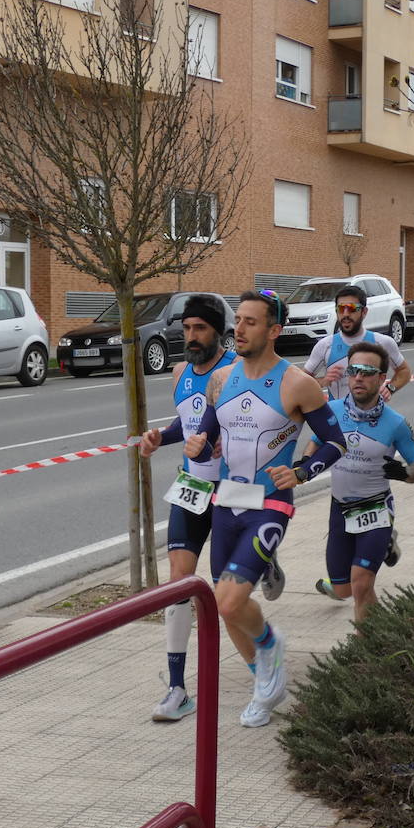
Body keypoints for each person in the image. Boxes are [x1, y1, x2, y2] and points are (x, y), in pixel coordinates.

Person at [184, 290, 347, 727]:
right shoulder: (222, 379)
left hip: (269, 504)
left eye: (250, 322)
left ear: (273, 330)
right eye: (238, 320)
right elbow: (205, 443)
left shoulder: (297, 383)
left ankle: (270, 644)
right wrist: (197, 447)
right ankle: (264, 677)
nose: (238, 329)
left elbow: (335, 442)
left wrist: (302, 471)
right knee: (223, 605)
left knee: (234, 601)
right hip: (226, 503)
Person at [139, 295, 238, 723]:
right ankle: (178, 688)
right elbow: (189, 420)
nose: (191, 337)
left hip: (235, 486)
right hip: (192, 485)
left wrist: (227, 438)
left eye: (200, 329)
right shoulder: (180, 372)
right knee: (179, 581)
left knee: (226, 585)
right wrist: (162, 435)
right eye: (187, 329)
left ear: (218, 331)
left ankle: (264, 561)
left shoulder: (235, 370)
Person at [309, 342, 414, 621]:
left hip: (376, 509)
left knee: (362, 584)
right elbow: (314, 444)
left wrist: (406, 474)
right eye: (353, 371)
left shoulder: (396, 423)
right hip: (340, 509)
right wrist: (304, 468)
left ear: (381, 378)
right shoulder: (332, 411)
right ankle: (387, 547)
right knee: (344, 588)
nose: (358, 377)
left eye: (366, 372)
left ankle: (368, 649)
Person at [303, 284, 411, 402]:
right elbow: (302, 381)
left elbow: (404, 371)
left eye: (351, 308)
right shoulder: (325, 345)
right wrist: (323, 381)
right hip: (338, 418)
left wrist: (390, 388)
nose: (345, 314)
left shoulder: (383, 343)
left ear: (364, 312)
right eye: (340, 309)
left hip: (372, 418)